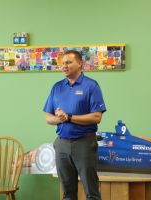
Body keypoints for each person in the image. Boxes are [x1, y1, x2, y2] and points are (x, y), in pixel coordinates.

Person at [43, 50, 106, 200]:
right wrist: (61, 118)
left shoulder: (91, 85)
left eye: (69, 62)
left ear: (80, 64)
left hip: (84, 143)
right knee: (67, 193)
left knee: (91, 192)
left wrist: (69, 117)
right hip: (62, 144)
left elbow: (97, 117)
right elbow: (48, 118)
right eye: (63, 63)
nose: (64, 66)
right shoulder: (57, 87)